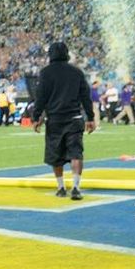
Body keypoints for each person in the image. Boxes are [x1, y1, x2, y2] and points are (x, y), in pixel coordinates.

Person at [31, 41, 94, 200]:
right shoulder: (76, 72)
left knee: (55, 155)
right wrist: (90, 117)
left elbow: (40, 97)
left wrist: (36, 117)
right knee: (76, 153)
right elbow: (85, 96)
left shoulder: (45, 73)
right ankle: (76, 187)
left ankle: (60, 187)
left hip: (54, 120)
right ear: (67, 53)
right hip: (74, 118)